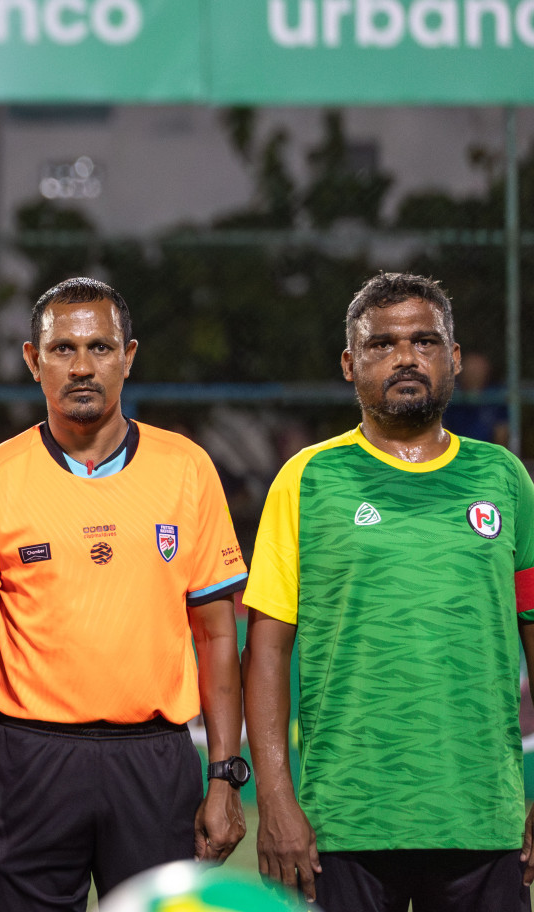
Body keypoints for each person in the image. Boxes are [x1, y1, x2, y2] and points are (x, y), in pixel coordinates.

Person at [0, 277, 249, 910]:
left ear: (129, 356)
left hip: (155, 759)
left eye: (99, 348)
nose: (82, 367)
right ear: (34, 362)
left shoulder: (187, 468)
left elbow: (218, 634)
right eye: (62, 349)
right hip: (30, 761)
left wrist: (225, 774)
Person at [245, 273, 534, 912]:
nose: (406, 357)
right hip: (342, 825)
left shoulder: (505, 479)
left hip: (483, 819)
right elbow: (266, 652)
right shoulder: (307, 478)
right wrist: (275, 799)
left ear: (453, 359)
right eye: (383, 344)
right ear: (350, 364)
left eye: (425, 341)